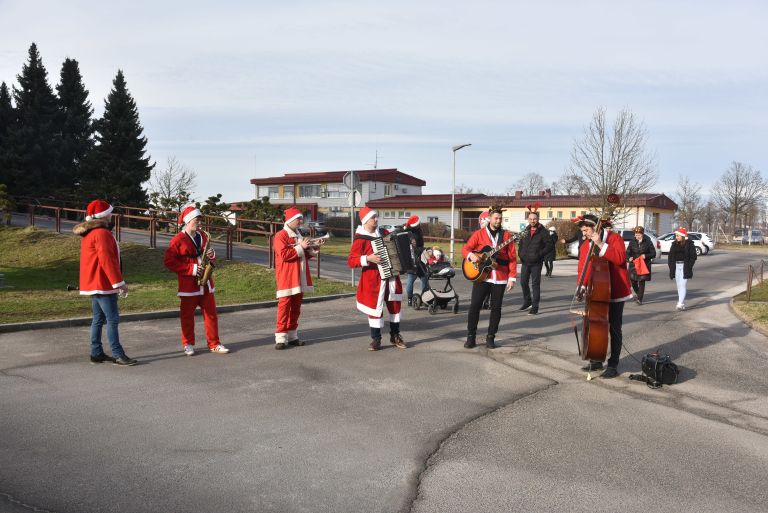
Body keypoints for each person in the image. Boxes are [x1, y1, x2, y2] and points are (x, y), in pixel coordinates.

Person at [74, 199, 137, 366]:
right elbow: (107, 260)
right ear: (104, 215)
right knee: (112, 319)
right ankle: (117, 354)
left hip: (94, 283)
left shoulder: (90, 233)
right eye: (109, 212)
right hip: (102, 283)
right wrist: (119, 283)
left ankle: (96, 352)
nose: (111, 215)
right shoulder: (102, 233)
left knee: (98, 318)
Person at [163, 206, 229, 356]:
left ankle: (214, 343)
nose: (199, 223)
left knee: (211, 315)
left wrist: (212, 255)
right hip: (188, 284)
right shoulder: (177, 240)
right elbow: (168, 261)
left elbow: (207, 255)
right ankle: (187, 344)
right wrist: (191, 269)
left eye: (200, 220)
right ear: (188, 221)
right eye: (196, 220)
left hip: (206, 283)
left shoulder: (203, 236)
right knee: (187, 316)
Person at [575, 214, 632, 378]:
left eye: (586, 230)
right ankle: (597, 359)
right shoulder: (586, 245)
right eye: (582, 231)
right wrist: (582, 286)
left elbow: (620, 259)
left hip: (615, 290)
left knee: (614, 327)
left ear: (596, 228)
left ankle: (613, 364)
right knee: (596, 327)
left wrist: (600, 244)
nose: (584, 234)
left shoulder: (615, 239)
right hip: (596, 292)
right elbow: (583, 268)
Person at [348, 206, 408, 351]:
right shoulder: (360, 239)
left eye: (376, 216)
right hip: (373, 280)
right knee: (375, 309)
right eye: (373, 217)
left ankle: (395, 335)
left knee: (395, 307)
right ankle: (376, 339)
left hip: (392, 277)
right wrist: (367, 258)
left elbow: (397, 242)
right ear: (365, 221)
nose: (376, 219)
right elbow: (351, 261)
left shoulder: (384, 233)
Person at [462, 206, 517, 349]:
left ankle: (491, 337)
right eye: (496, 218)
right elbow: (465, 249)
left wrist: (512, 277)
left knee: (496, 308)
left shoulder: (507, 236)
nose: (498, 221)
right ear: (490, 219)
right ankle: (470, 337)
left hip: (500, 276)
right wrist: (471, 255)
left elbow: (512, 258)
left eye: (500, 218)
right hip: (481, 276)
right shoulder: (479, 234)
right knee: (474, 306)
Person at [273, 208, 321, 349]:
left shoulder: (298, 234)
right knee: (284, 307)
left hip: (299, 277)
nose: (301, 221)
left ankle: (292, 336)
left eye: (301, 219)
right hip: (287, 277)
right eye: (298, 219)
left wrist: (314, 248)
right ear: (290, 220)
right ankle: (281, 338)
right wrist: (301, 246)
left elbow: (303, 254)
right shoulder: (280, 235)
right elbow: (284, 255)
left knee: (296, 308)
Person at [517, 207, 553, 315]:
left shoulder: (543, 231)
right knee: (523, 282)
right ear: (528, 219)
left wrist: (539, 255)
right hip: (525, 261)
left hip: (536, 263)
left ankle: (535, 306)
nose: (533, 221)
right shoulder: (526, 230)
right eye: (531, 219)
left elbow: (549, 245)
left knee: (535, 284)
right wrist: (521, 254)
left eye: (535, 219)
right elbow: (521, 243)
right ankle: (527, 301)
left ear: (538, 219)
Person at [667, 227, 697, 311]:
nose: (676, 237)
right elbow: (670, 256)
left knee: (683, 285)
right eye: (676, 235)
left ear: (682, 236)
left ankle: (680, 303)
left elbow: (693, 256)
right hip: (676, 266)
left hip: (685, 266)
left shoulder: (689, 244)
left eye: (678, 235)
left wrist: (689, 266)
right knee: (678, 286)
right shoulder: (674, 244)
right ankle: (682, 303)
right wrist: (671, 266)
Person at [626, 226, 656, 305]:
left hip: (644, 264)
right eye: (636, 235)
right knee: (633, 281)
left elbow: (653, 253)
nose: (637, 236)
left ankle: (639, 299)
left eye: (639, 235)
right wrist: (629, 257)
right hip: (634, 264)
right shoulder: (632, 241)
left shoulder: (648, 241)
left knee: (641, 281)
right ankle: (639, 293)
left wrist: (645, 256)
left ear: (642, 234)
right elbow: (628, 252)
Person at [404, 217, 427, 306]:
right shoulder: (412, 233)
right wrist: (423, 249)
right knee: (420, 278)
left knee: (422, 279)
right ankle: (414, 298)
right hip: (415, 259)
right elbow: (414, 248)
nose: (419, 224)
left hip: (418, 258)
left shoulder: (412, 231)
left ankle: (413, 299)